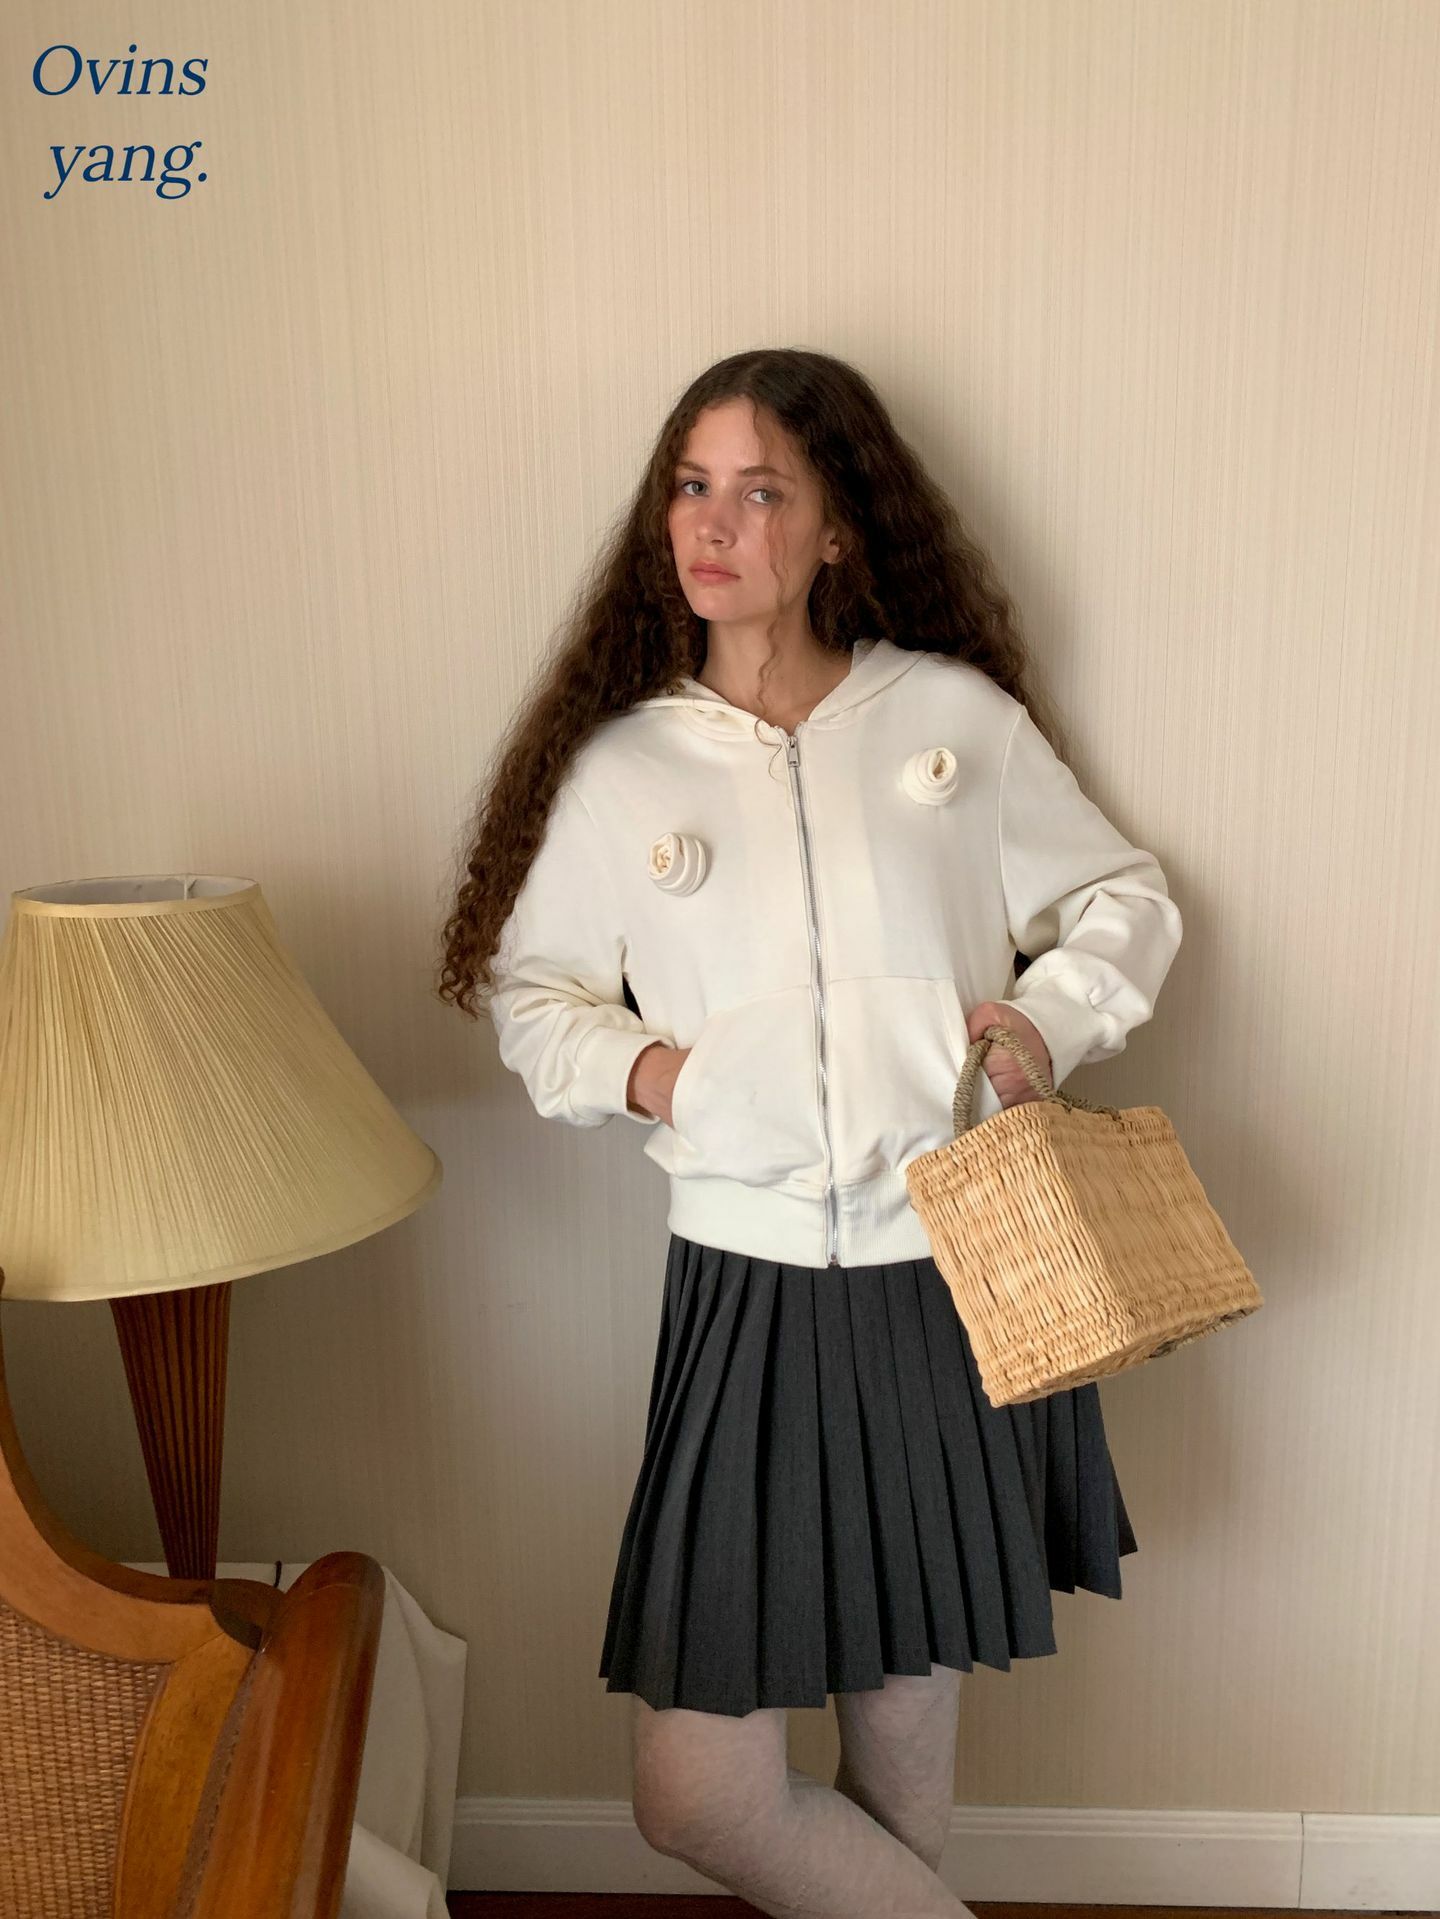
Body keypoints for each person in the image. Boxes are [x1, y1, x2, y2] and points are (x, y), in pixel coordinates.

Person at [437, 347, 1183, 1917]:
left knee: (902, 1769)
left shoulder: (950, 722)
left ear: (839, 527)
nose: (713, 524)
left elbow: (1124, 897)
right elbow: (535, 996)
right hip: (747, 1293)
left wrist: (1043, 1024)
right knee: (697, 1792)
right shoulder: (623, 765)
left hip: (949, 1276)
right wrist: (667, 1078)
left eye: (761, 490)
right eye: (690, 487)